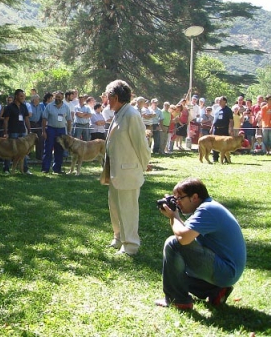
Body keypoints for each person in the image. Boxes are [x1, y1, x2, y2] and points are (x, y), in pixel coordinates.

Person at [156, 178, 246, 310]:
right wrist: (174, 216)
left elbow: (183, 239)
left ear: (195, 197)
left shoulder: (207, 210)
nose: (177, 203)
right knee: (174, 275)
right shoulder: (207, 208)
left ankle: (179, 301)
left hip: (226, 270)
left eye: (179, 198)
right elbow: (183, 234)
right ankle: (215, 291)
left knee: (172, 243)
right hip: (227, 269)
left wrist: (174, 216)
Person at [101, 80, 150, 256]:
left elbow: (141, 145)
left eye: (107, 96)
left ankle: (130, 245)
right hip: (115, 171)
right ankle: (119, 237)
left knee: (128, 209)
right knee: (115, 206)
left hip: (128, 170)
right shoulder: (118, 113)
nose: (105, 100)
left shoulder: (131, 114)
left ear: (115, 97)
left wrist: (143, 166)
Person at [2, 89, 32, 175]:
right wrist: (5, 132)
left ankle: (25, 169)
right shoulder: (9, 107)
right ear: (16, 96)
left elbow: (26, 118)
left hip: (22, 131)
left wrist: (29, 130)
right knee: (9, 150)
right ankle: (6, 169)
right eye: (21, 96)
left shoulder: (24, 106)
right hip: (12, 131)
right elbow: (5, 120)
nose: (23, 98)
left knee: (24, 151)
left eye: (24, 96)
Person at [41, 91, 72, 174]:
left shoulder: (66, 107)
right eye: (56, 97)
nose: (57, 98)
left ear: (62, 98)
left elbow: (69, 120)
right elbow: (44, 118)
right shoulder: (49, 106)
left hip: (61, 130)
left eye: (59, 97)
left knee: (59, 150)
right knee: (48, 149)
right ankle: (45, 168)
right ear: (54, 97)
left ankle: (57, 169)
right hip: (51, 129)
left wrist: (69, 132)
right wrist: (43, 131)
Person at [211, 96, 234, 162]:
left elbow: (231, 120)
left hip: (224, 129)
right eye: (218, 100)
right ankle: (215, 158)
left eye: (220, 100)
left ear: (225, 101)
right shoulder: (217, 109)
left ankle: (226, 159)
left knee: (225, 145)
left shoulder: (228, 110)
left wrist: (230, 128)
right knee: (215, 143)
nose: (219, 102)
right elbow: (214, 119)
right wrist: (212, 127)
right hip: (216, 129)